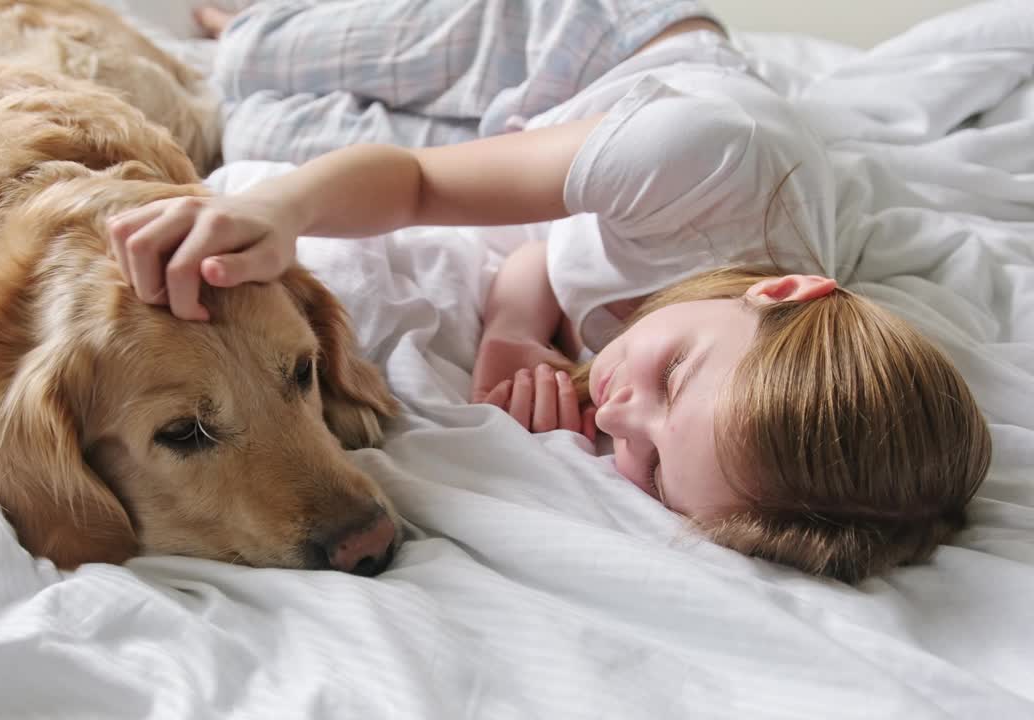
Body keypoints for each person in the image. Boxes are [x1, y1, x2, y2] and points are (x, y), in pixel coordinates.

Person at [104, 1, 991, 582]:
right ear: (786, 291)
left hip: (548, 147)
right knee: (252, 51)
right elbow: (416, 184)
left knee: (249, 122)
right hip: (585, 38)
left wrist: (513, 338)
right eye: (671, 380)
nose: (613, 414)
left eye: (644, 462)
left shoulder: (710, 365)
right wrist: (284, 209)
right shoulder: (706, 159)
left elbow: (548, 254)